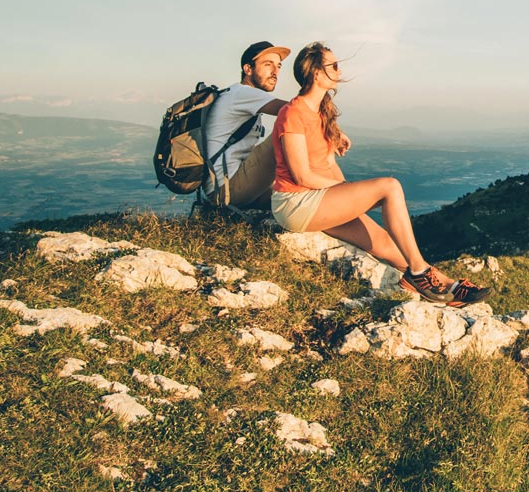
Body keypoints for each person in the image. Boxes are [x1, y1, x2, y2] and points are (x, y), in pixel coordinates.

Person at [272, 42, 488, 306]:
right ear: (316, 74)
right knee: (390, 187)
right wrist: (347, 191)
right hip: (295, 203)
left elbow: (326, 166)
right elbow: (302, 176)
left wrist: (347, 194)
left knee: (385, 242)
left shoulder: (320, 113)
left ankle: (450, 290)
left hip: (318, 200)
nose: (339, 71)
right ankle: (419, 273)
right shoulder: (292, 113)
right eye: (334, 65)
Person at [200, 41, 294, 210]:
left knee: (294, 200)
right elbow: (297, 111)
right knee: (289, 132)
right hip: (226, 189)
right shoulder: (242, 93)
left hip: (226, 187)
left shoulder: (237, 95)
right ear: (248, 69)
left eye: (278, 66)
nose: (275, 72)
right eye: (268, 65)